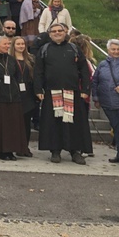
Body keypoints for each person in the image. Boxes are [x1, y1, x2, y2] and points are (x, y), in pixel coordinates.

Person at [34, 23, 92, 164]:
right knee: (54, 124)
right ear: (49, 34)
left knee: (74, 124)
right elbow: (38, 72)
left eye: (60, 30)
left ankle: (75, 152)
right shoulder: (44, 49)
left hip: (72, 93)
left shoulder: (74, 48)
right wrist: (38, 89)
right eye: (54, 31)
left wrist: (85, 90)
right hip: (51, 92)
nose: (57, 33)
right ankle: (55, 151)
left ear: (65, 32)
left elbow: (84, 70)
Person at [0, 37, 27, 161]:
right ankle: (2, 151)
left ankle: (11, 150)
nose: (7, 46)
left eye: (8, 43)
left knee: (12, 126)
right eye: (5, 43)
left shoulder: (11, 60)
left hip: (13, 97)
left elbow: (17, 76)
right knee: (0, 126)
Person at [10, 36, 37, 157]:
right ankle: (15, 146)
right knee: (15, 122)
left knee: (26, 122)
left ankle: (24, 147)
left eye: (23, 44)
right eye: (18, 44)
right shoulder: (9, 59)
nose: (21, 46)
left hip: (28, 94)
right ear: (13, 46)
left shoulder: (30, 59)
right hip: (14, 94)